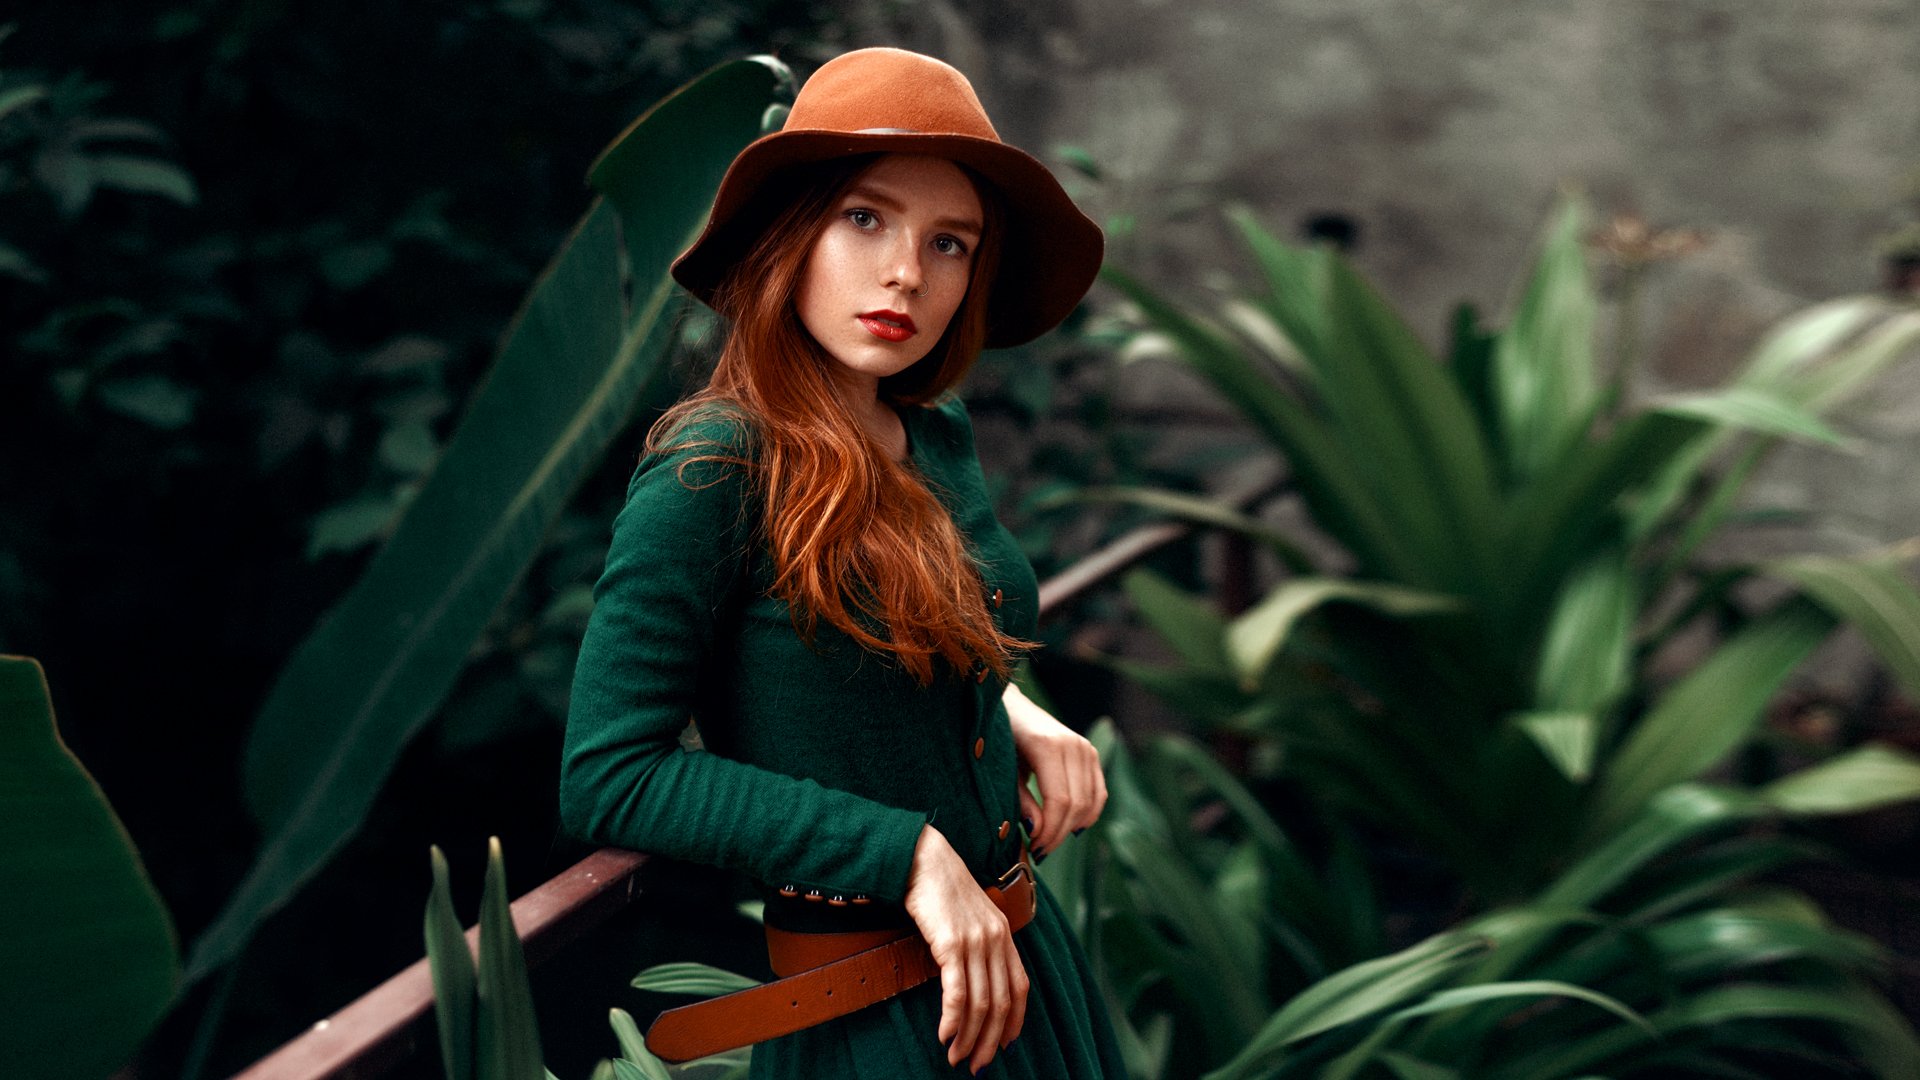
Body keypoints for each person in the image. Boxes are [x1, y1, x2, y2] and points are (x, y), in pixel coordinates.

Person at [561, 47, 1125, 1078]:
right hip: (879, 1023)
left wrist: (1009, 704)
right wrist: (904, 855)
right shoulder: (714, 465)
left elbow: (893, 640)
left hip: (1027, 973)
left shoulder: (932, 433)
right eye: (865, 219)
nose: (907, 271)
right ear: (792, 235)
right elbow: (611, 775)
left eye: (949, 242)